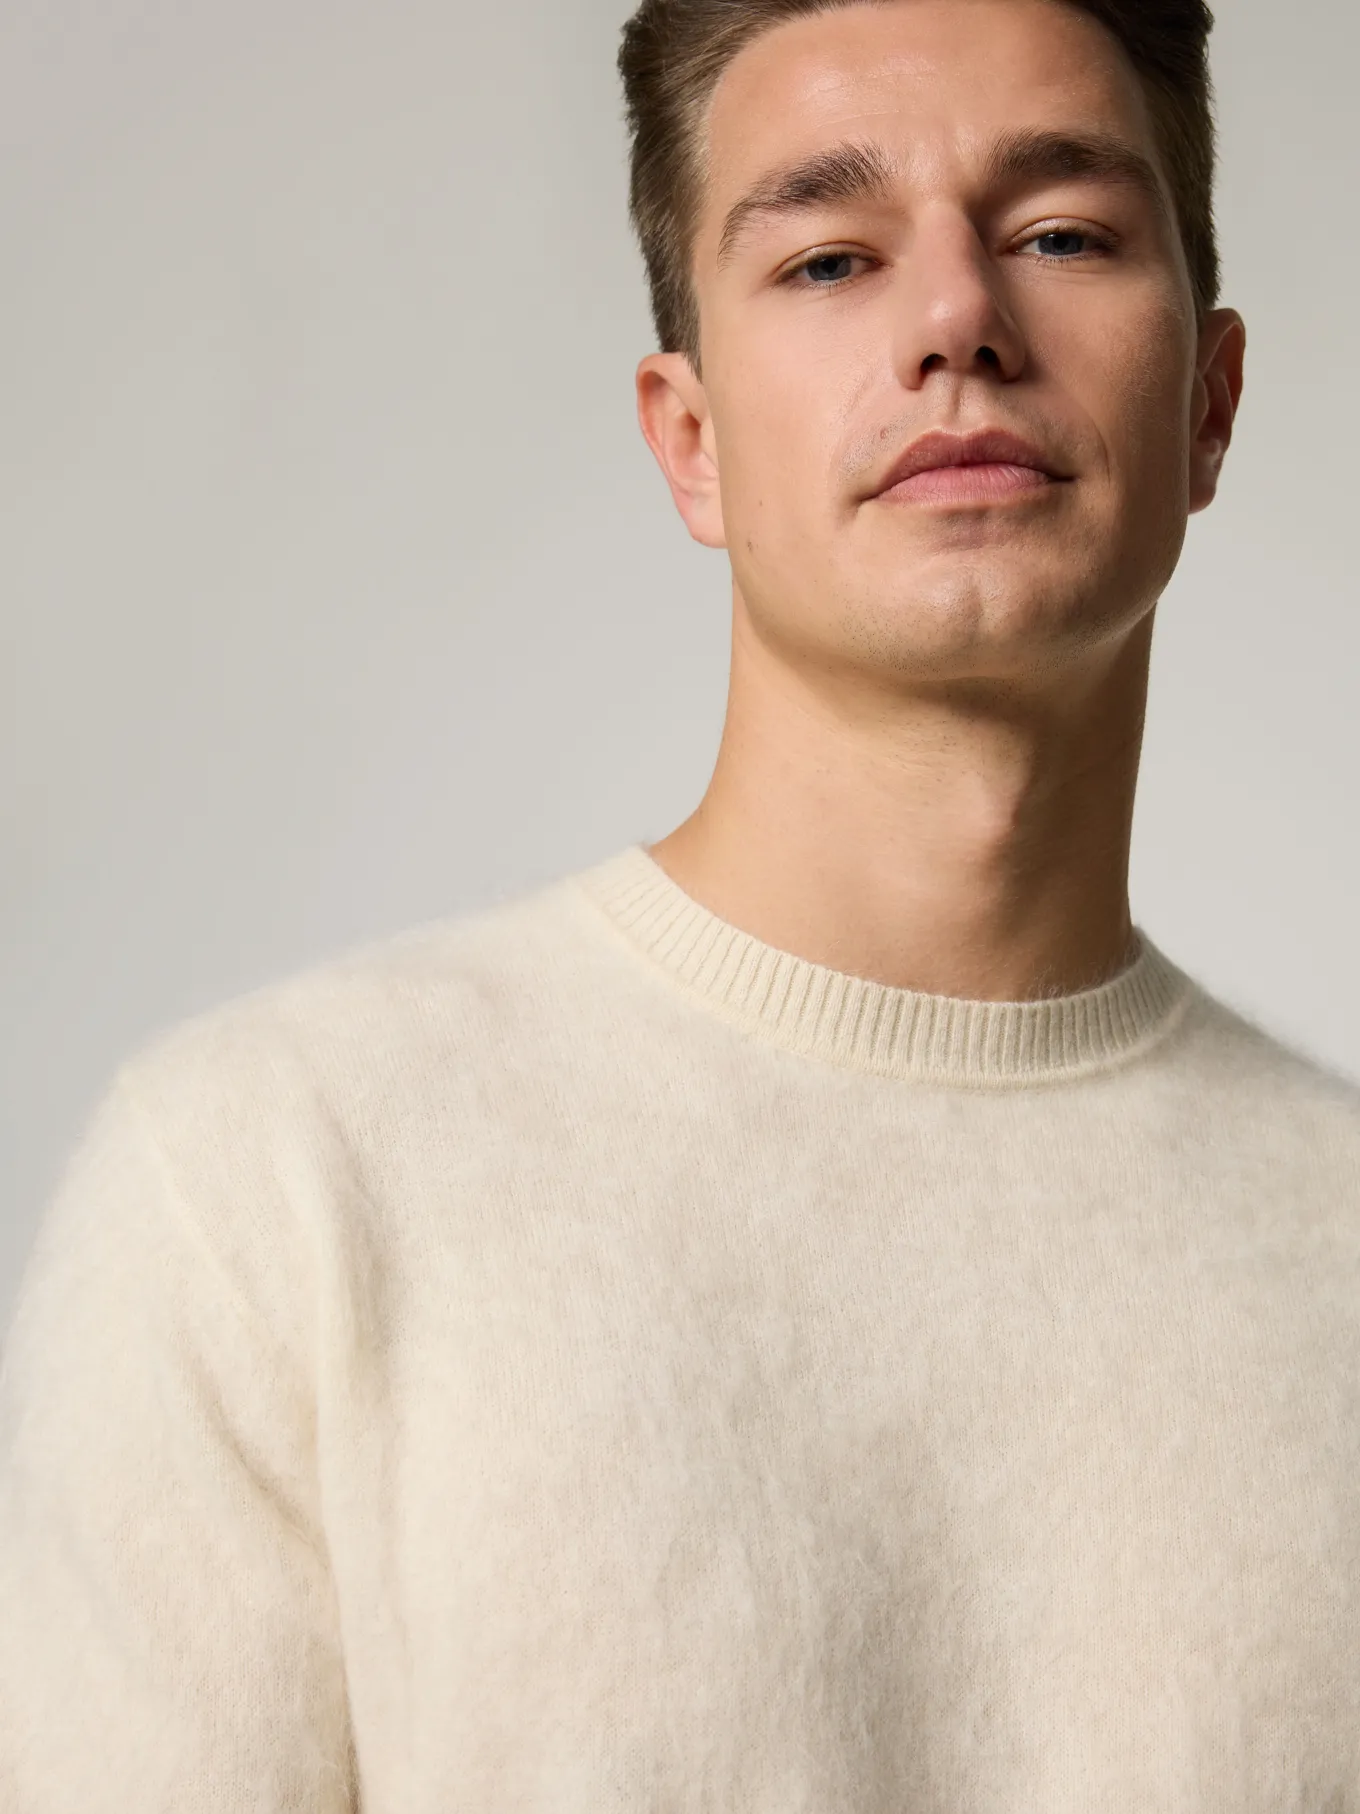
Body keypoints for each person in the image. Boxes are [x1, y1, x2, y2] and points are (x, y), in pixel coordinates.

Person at [2, 0, 1357, 1806]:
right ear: (691, 439)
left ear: (1211, 402)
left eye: (1060, 234)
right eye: (829, 258)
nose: (958, 320)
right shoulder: (274, 1198)